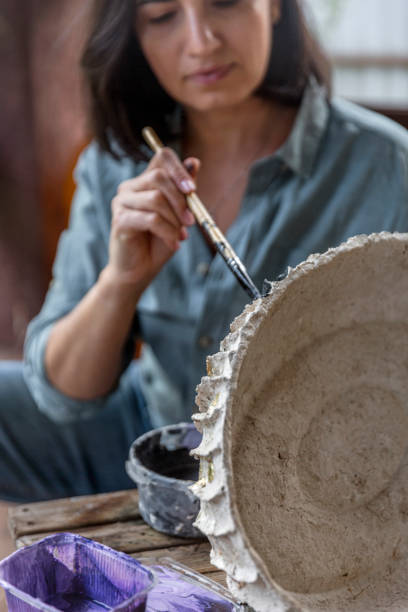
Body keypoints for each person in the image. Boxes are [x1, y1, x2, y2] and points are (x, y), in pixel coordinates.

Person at [1, 0, 407, 503]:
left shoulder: (389, 169)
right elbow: (63, 398)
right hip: (151, 438)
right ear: (134, 34)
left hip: (301, 472)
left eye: (224, 3)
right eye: (163, 16)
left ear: (275, 7)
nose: (200, 41)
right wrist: (121, 282)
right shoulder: (117, 164)